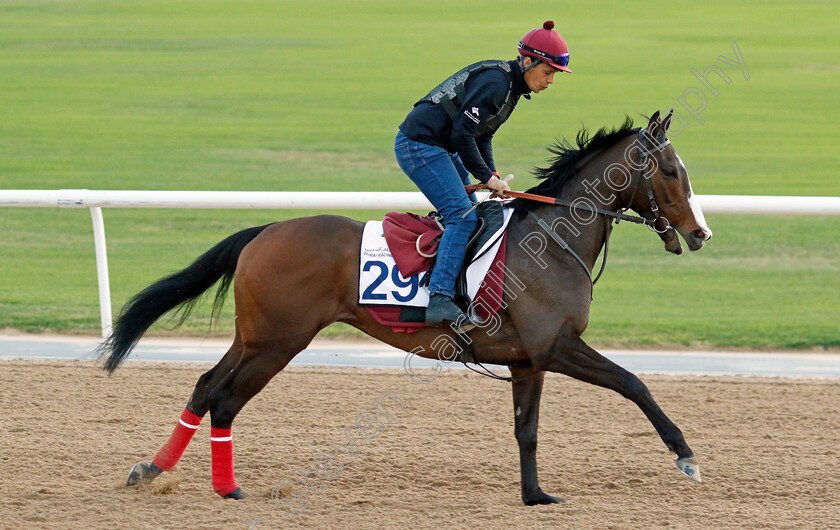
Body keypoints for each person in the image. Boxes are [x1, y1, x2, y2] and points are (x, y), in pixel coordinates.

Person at [394, 21, 571, 332]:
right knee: (462, 217)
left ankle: (457, 288)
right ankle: (439, 298)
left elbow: (481, 137)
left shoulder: (511, 88)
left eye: (555, 74)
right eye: (548, 72)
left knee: (480, 212)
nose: (551, 80)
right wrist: (488, 179)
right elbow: (464, 135)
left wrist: (493, 175)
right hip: (420, 146)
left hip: (442, 147)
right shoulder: (496, 83)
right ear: (527, 61)